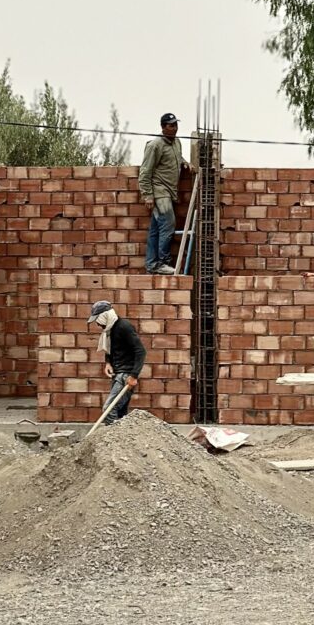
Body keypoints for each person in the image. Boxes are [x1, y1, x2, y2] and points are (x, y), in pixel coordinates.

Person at [139, 112, 189, 274]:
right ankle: (163, 262)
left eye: (176, 125)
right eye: (171, 125)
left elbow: (177, 157)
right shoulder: (155, 145)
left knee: (156, 229)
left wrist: (186, 163)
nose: (174, 128)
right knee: (168, 224)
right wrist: (147, 194)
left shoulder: (176, 143)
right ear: (163, 127)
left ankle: (152, 264)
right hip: (159, 191)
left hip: (169, 191)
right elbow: (145, 171)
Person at [87, 299, 147, 425]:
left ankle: (114, 441)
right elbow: (111, 348)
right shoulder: (109, 330)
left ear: (104, 316)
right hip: (117, 374)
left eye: (98, 319)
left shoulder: (123, 326)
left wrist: (133, 376)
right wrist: (108, 362)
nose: (97, 324)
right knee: (120, 412)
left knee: (109, 410)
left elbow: (140, 351)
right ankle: (124, 442)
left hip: (125, 375)